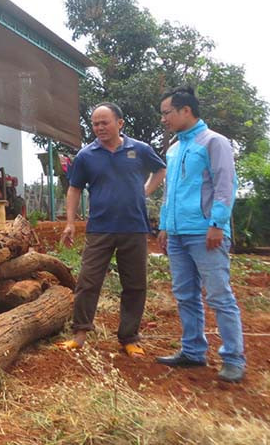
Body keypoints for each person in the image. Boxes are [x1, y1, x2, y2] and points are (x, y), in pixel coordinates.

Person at [58, 103, 166, 356]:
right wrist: (70, 223)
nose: (99, 127)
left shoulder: (140, 150)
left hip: (134, 228)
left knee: (135, 284)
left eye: (104, 122)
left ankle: (129, 337)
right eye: (95, 123)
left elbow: (160, 169)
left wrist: (145, 191)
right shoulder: (86, 155)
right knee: (88, 281)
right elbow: (74, 188)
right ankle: (80, 333)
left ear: (120, 123)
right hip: (100, 228)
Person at [156, 86, 245, 383]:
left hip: (206, 233)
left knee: (219, 295)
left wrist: (217, 224)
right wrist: (165, 227)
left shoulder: (214, 142)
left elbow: (225, 184)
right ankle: (193, 351)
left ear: (185, 111)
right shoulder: (174, 148)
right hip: (178, 234)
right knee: (185, 295)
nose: (164, 119)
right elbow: (170, 192)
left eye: (167, 113)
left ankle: (234, 357)